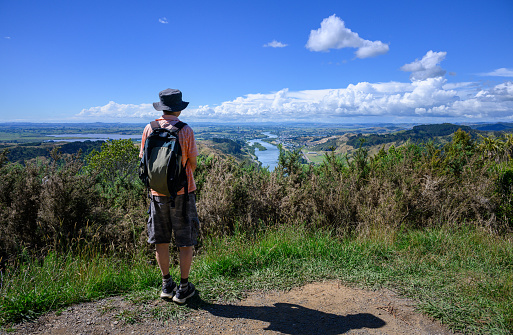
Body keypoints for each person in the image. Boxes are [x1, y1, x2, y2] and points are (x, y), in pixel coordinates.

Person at [139, 88, 200, 303]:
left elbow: (144, 162)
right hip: (182, 193)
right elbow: (192, 163)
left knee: (161, 241)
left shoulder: (149, 128)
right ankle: (183, 288)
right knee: (185, 242)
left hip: (156, 193)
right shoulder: (185, 130)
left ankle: (167, 284)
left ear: (162, 107)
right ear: (179, 108)